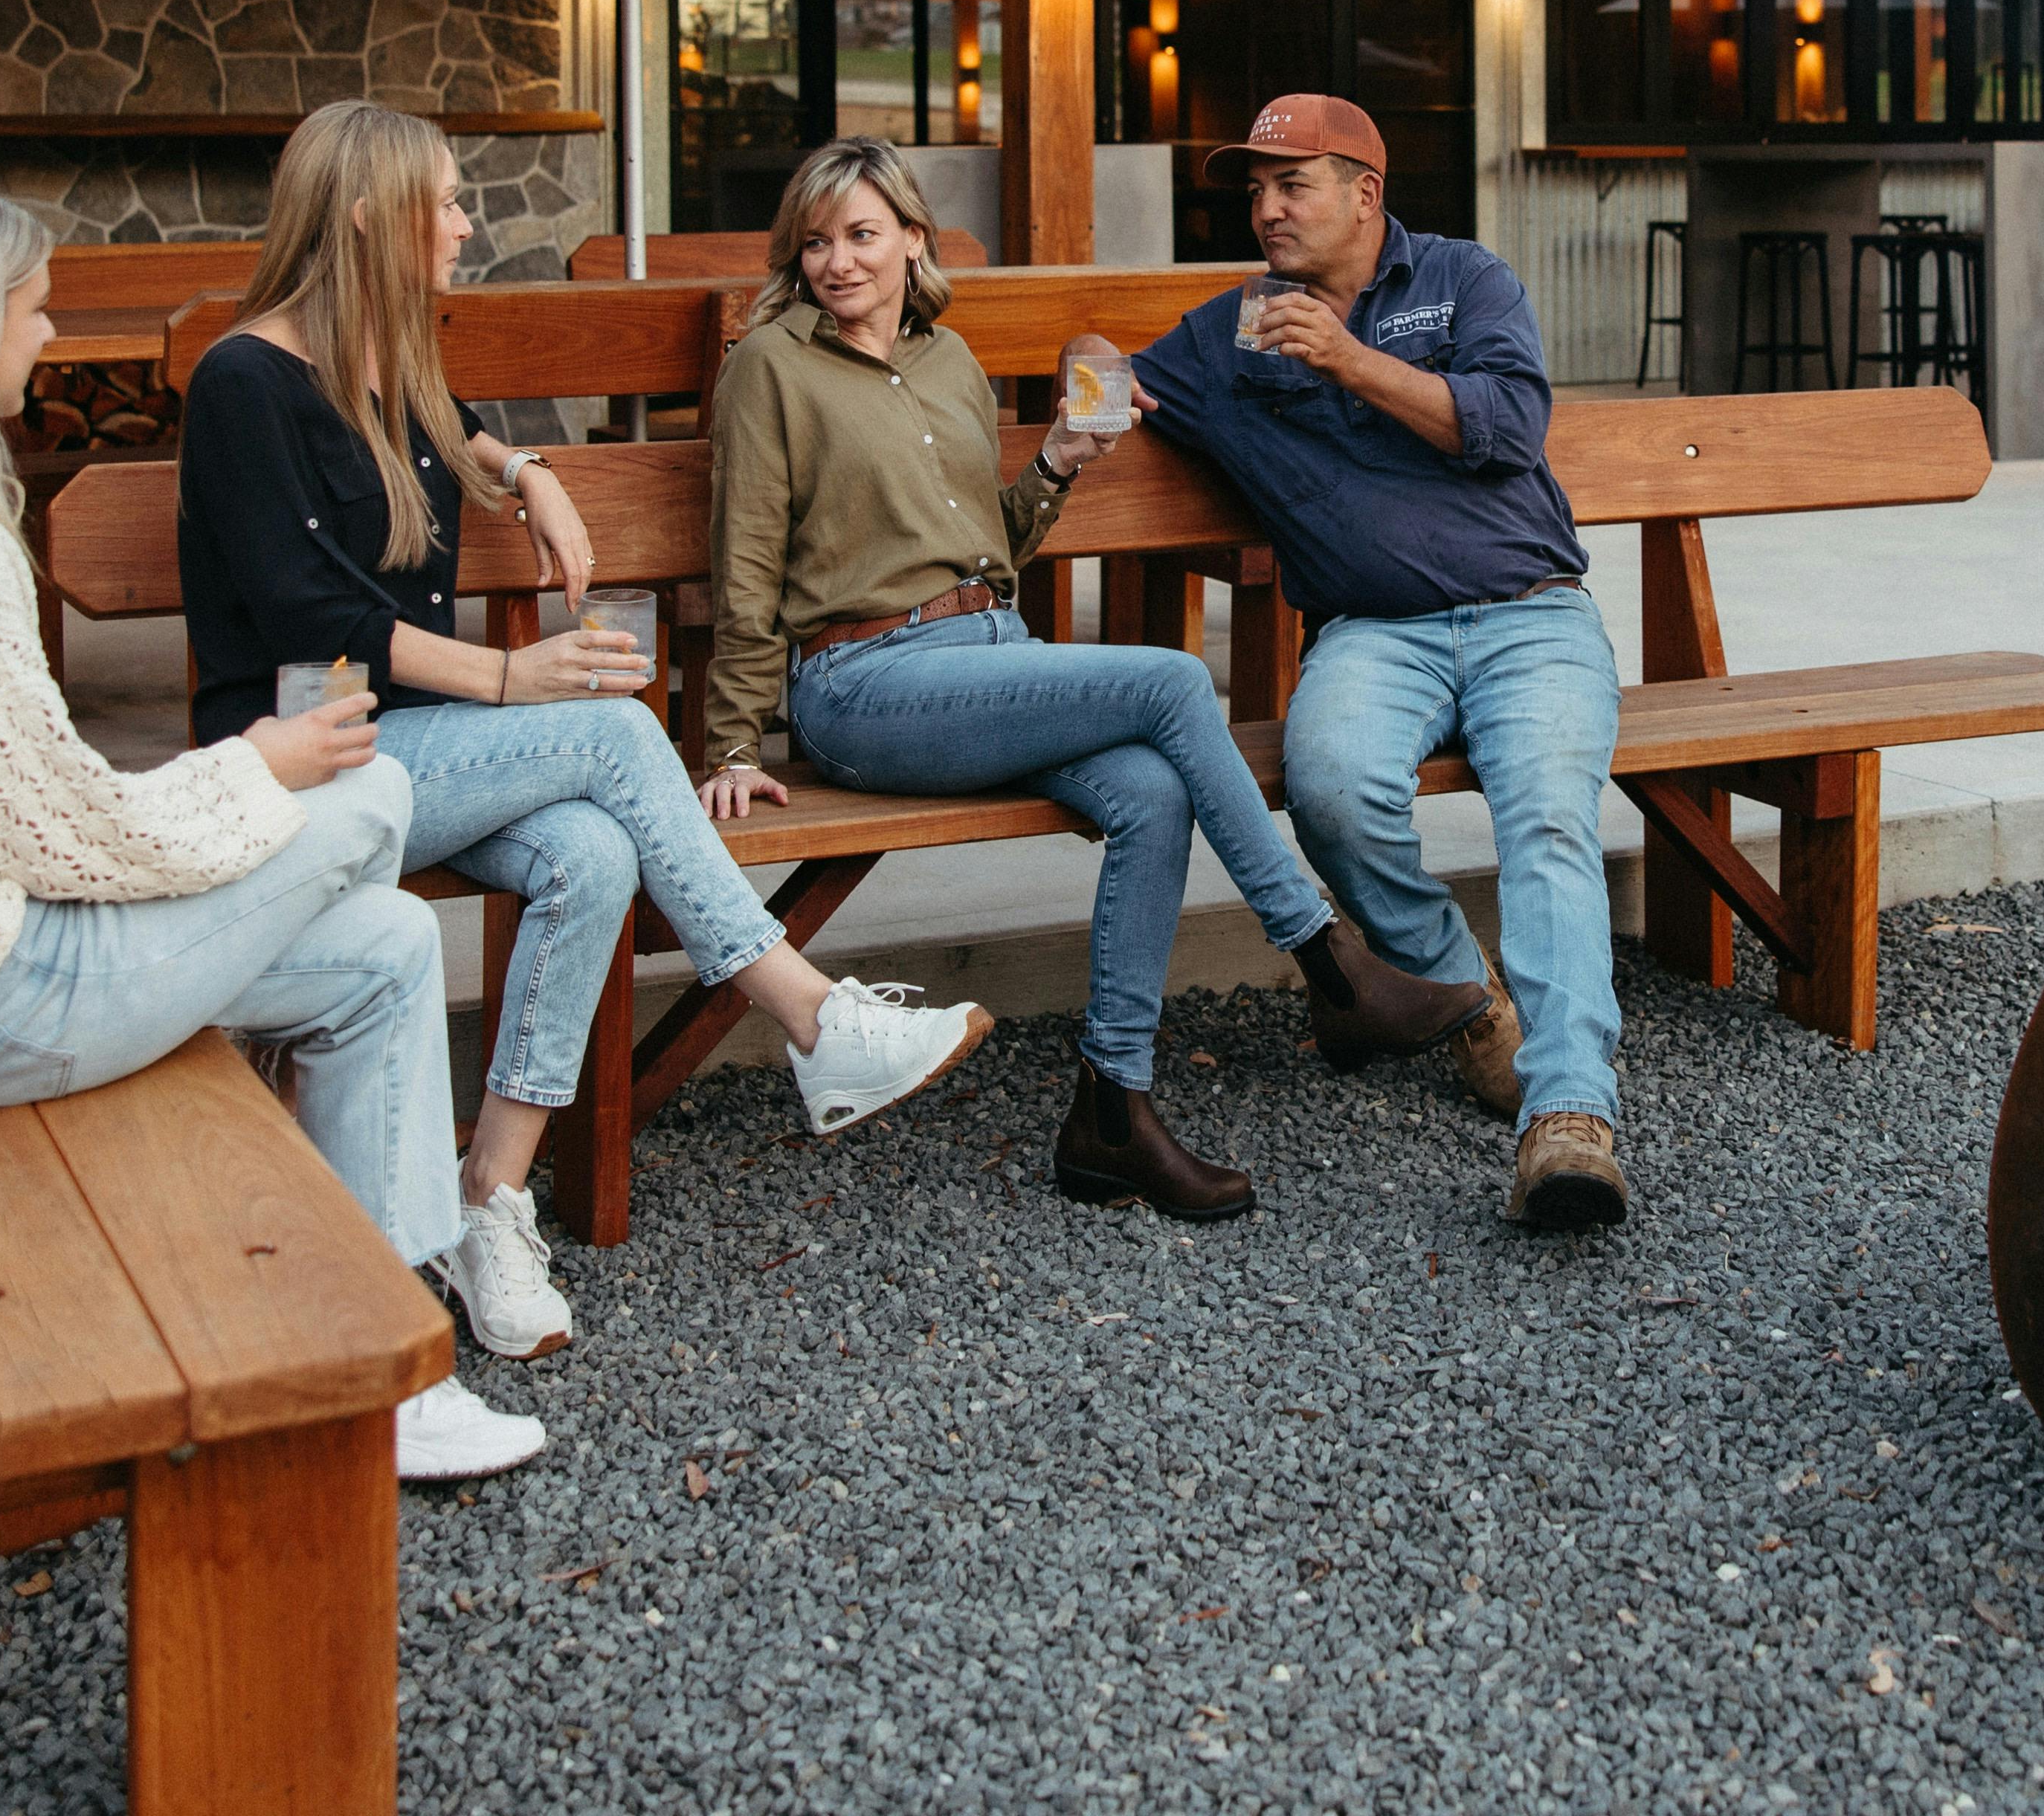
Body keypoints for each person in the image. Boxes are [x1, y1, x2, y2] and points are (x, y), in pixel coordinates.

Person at [0, 175, 546, 1482]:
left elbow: (23, 819)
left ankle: (381, 1345)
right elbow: (73, 836)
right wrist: (258, 767)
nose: (46, 339)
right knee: (371, 796)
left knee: (386, 946)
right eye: (32, 311)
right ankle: (357, 1345)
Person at [178, 103, 989, 1360]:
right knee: (609, 731)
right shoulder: (245, 379)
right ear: (364, 216)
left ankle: (488, 1200)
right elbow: (309, 619)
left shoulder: (386, 361)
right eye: (445, 203)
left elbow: (451, 428)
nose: (464, 226)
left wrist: (527, 476)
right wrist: (514, 682)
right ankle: (815, 1018)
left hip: (415, 751)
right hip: (302, 759)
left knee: (592, 855)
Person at [694, 138, 1484, 1219]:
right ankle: (1329, 961)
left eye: (864, 235)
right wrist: (733, 741)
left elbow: (989, 549)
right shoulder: (770, 366)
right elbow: (743, 566)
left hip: (987, 655)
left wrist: (1060, 459)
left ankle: (1114, 1111)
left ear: (913, 242)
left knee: (1152, 792)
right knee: (1168, 682)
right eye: (817, 241)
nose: (839, 261)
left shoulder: (949, 363)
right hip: (861, 683)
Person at [1132, 94, 1631, 1231]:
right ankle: (1470, 1006)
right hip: (1372, 631)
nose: (1264, 210)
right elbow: (1132, 379)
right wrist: (1083, 368)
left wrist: (1351, 362)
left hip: (1530, 615)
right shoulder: (1237, 327)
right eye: (1253, 190)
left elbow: (1507, 429)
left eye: (1290, 185)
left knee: (1548, 815)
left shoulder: (1466, 280)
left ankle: (1568, 1115)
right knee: (1332, 789)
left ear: (1366, 192)